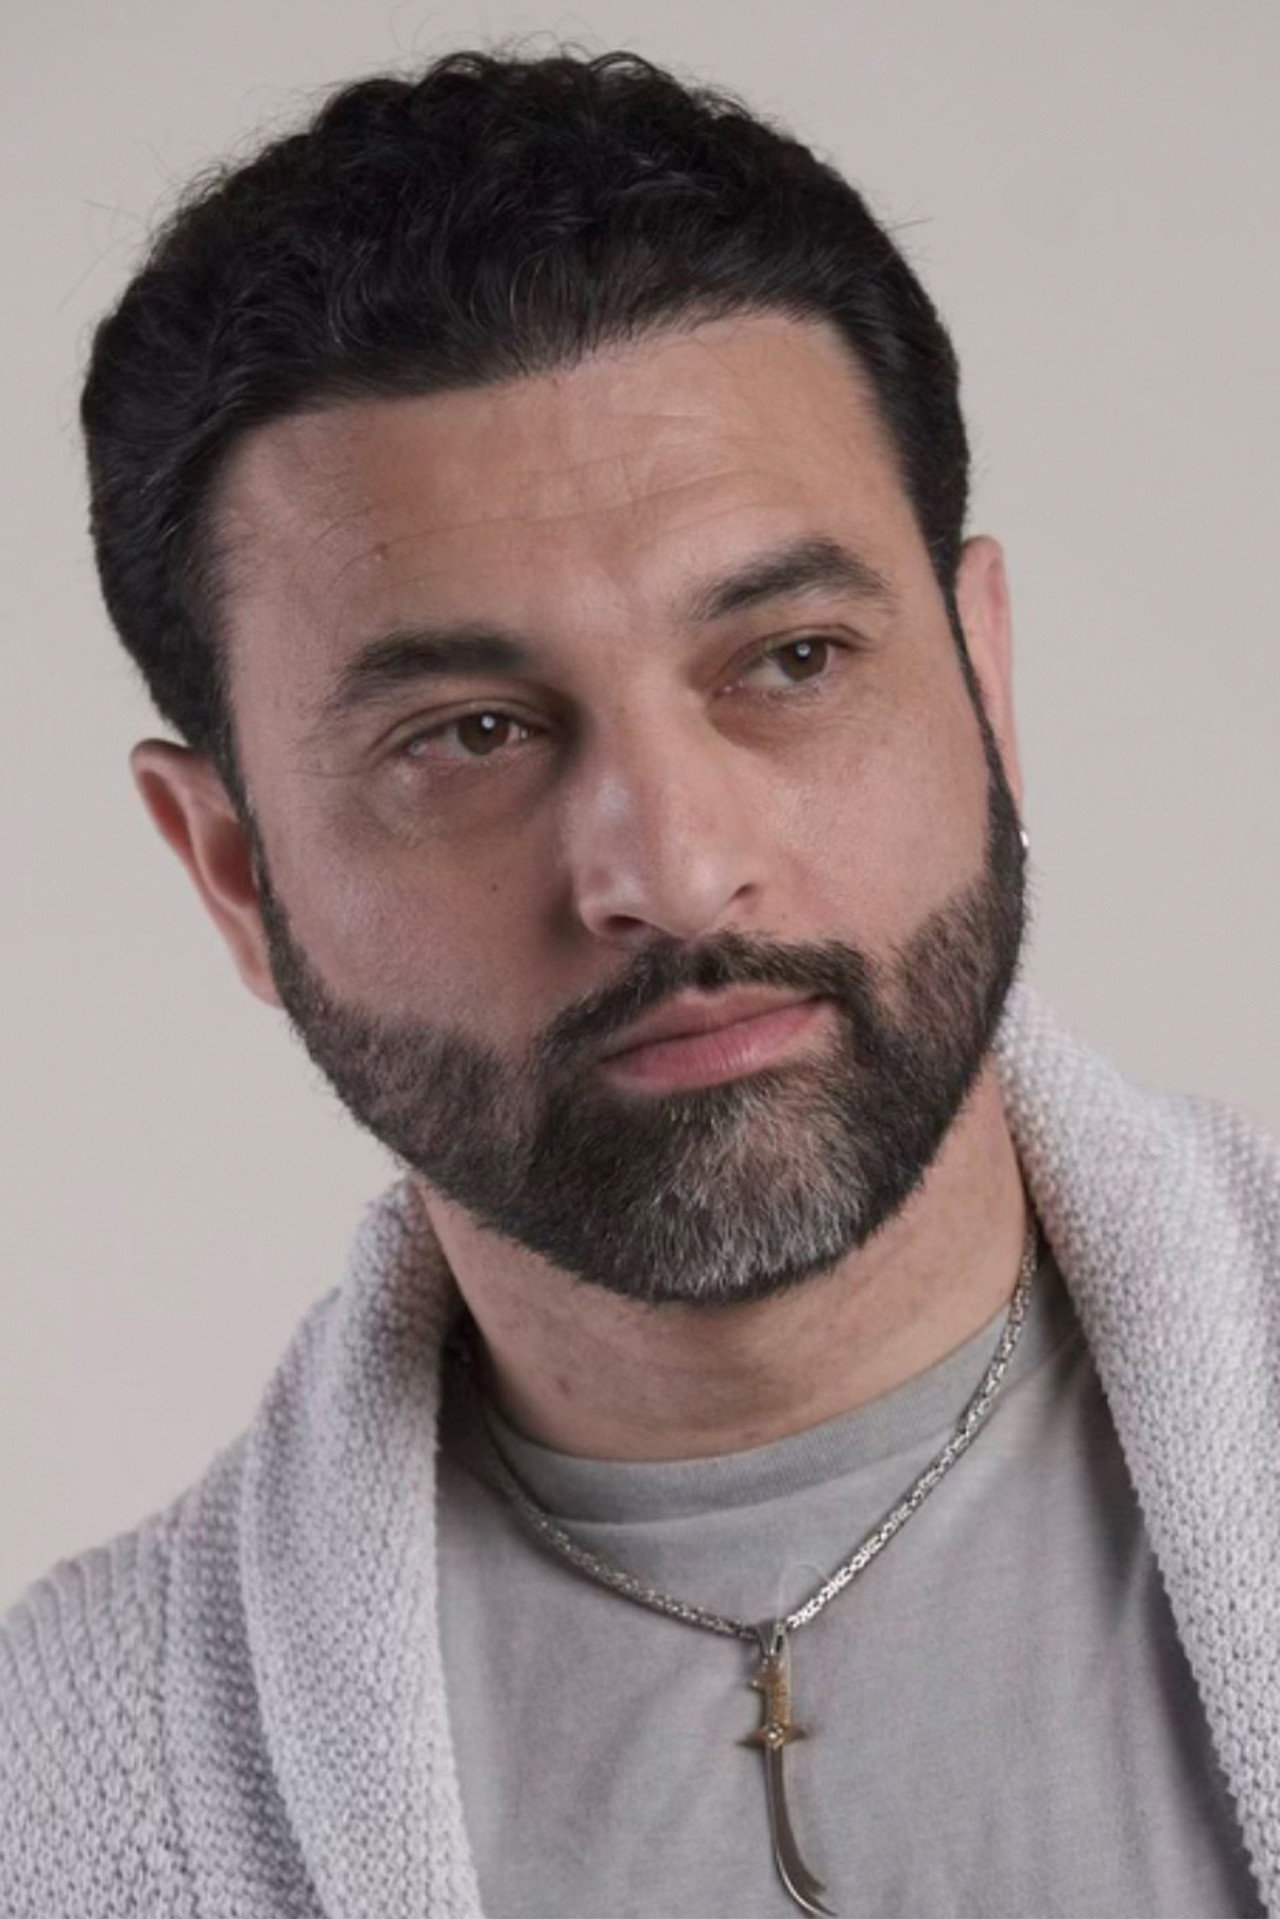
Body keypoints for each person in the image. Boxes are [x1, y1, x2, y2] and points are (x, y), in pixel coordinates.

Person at [1, 45, 1276, 1919]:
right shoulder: (56, 1805)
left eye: (792, 659)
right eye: (470, 733)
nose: (672, 871)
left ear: (982, 682)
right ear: (236, 871)